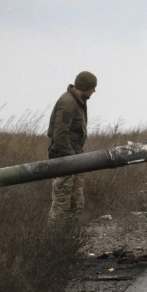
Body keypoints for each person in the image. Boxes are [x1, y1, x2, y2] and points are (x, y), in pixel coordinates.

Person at [47, 71, 97, 222]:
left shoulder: (77, 101)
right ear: (84, 87)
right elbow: (60, 134)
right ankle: (52, 240)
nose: (94, 91)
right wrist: (72, 158)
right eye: (92, 88)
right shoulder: (68, 103)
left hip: (73, 159)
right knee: (61, 207)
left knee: (75, 205)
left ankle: (68, 239)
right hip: (65, 161)